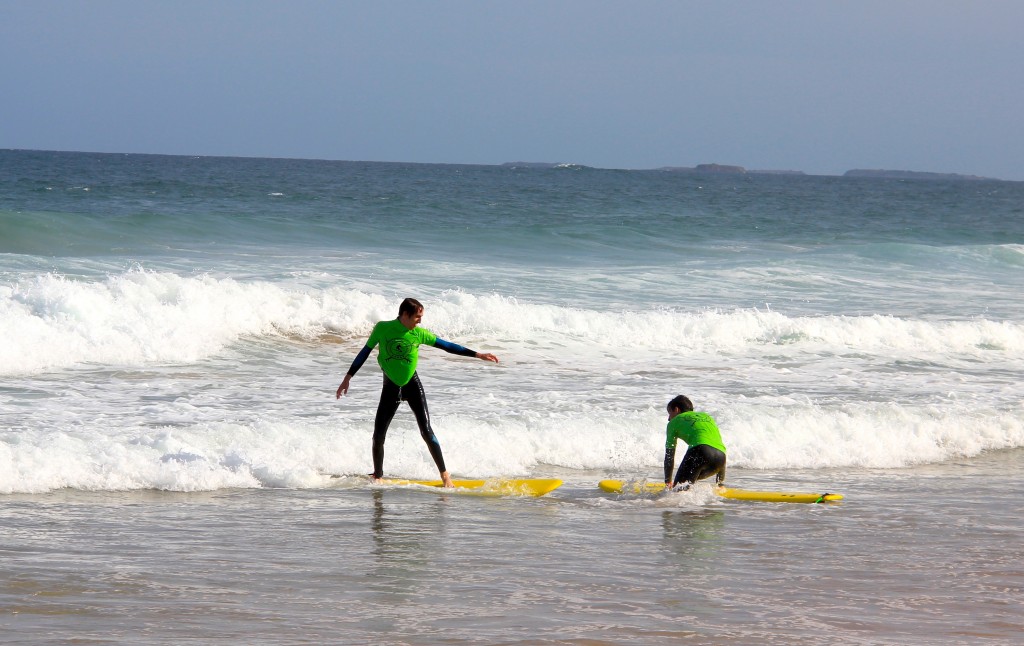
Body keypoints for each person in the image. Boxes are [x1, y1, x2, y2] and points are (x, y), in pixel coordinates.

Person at [336, 298, 499, 488]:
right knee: (378, 435)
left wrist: (477, 355)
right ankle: (378, 475)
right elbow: (364, 352)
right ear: (405, 315)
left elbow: (446, 346)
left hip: (412, 385)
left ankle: (445, 475)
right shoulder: (382, 328)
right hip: (390, 387)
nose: (420, 321)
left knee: (426, 431)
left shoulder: (418, 333)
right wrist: (348, 377)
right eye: (417, 317)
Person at [663, 395, 727, 490]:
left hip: (700, 451)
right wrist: (720, 483)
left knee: (678, 491)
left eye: (669, 413)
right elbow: (718, 445)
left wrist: (668, 483)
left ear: (676, 410)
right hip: (720, 459)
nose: (669, 418)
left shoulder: (673, 422)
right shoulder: (707, 417)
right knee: (687, 484)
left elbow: (669, 456)